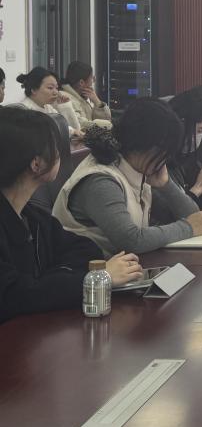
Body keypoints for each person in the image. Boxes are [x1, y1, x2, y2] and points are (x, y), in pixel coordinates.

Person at [0, 107, 142, 322]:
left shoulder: (33, 216)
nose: (60, 153)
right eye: (55, 148)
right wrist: (97, 278)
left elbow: (86, 249)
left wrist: (45, 284)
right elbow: (12, 296)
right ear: (36, 164)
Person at [52, 98, 202, 256]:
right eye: (165, 152)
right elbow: (131, 240)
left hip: (125, 269)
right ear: (147, 145)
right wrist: (188, 228)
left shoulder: (135, 168)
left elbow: (192, 216)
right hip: (92, 273)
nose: (166, 159)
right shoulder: (100, 180)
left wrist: (166, 185)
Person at [16, 67, 81, 137]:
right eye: (50, 88)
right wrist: (73, 131)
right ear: (34, 90)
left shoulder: (48, 107)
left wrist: (65, 107)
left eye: (56, 88)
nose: (56, 92)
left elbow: (71, 128)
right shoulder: (23, 111)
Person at [60, 61, 112, 129]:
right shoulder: (64, 98)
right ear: (81, 82)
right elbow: (79, 123)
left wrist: (97, 102)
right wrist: (107, 125)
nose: (93, 82)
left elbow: (105, 120)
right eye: (92, 78)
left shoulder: (83, 97)